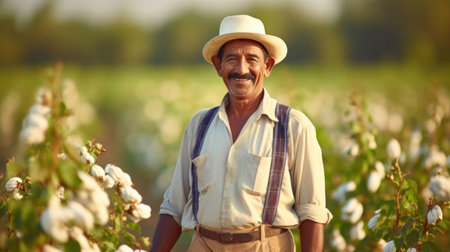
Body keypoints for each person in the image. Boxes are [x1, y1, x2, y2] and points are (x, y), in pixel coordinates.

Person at [150, 14, 332, 252]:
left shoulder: (293, 126)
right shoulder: (200, 125)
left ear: (267, 66)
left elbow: (312, 212)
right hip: (203, 245)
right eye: (232, 59)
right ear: (218, 66)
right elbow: (174, 206)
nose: (241, 69)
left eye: (252, 59)